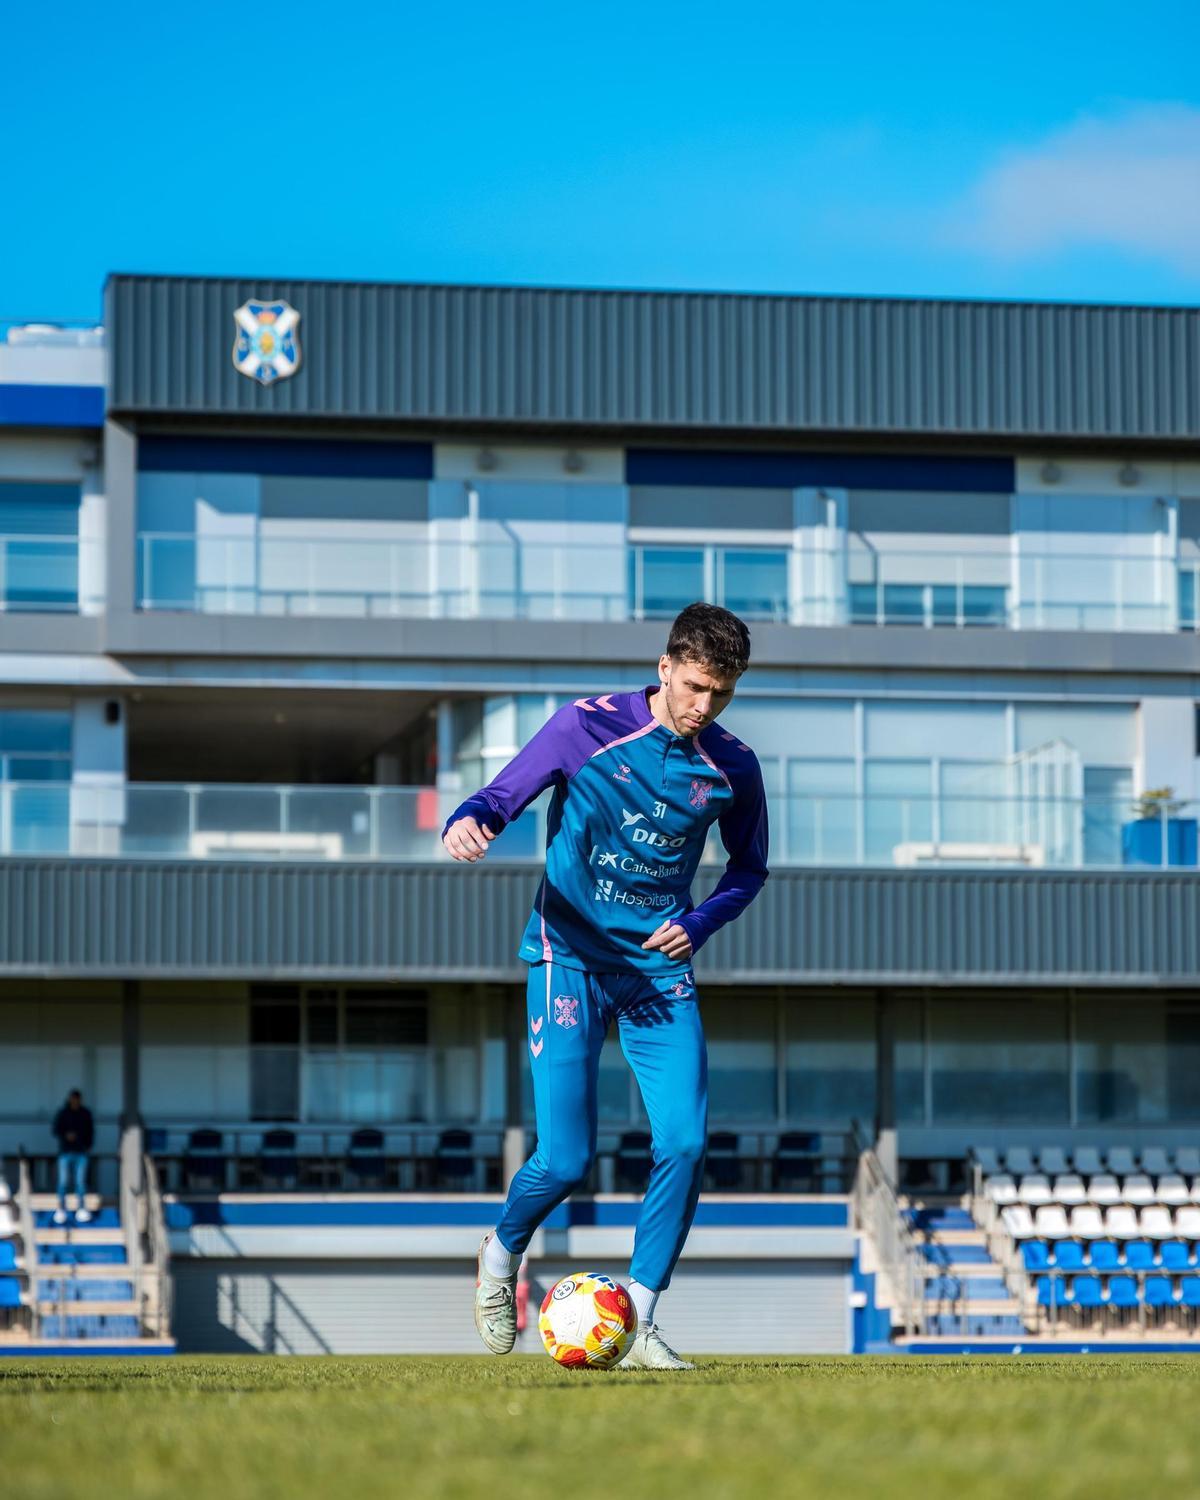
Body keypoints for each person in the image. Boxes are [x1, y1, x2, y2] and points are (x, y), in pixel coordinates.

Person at [443, 602, 769, 1370]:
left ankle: (639, 1323)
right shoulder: (584, 727)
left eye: (721, 693)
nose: (704, 705)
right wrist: (470, 819)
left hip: (657, 969)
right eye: (694, 686)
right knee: (565, 1159)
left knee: (685, 1141)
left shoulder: (735, 766)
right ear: (665, 668)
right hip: (569, 958)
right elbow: (500, 796)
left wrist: (701, 922)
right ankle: (501, 1252)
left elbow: (749, 869)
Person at [51, 1089, 94, 1225]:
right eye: (72, 1099)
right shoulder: (63, 1113)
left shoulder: (85, 1113)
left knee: (80, 1182)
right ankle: (61, 1208)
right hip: (65, 1152)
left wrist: (87, 1145)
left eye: (77, 1100)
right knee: (63, 1181)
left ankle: (81, 1208)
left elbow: (90, 1131)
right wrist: (66, 1135)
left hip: (81, 1152)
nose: (74, 1102)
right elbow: (56, 1130)